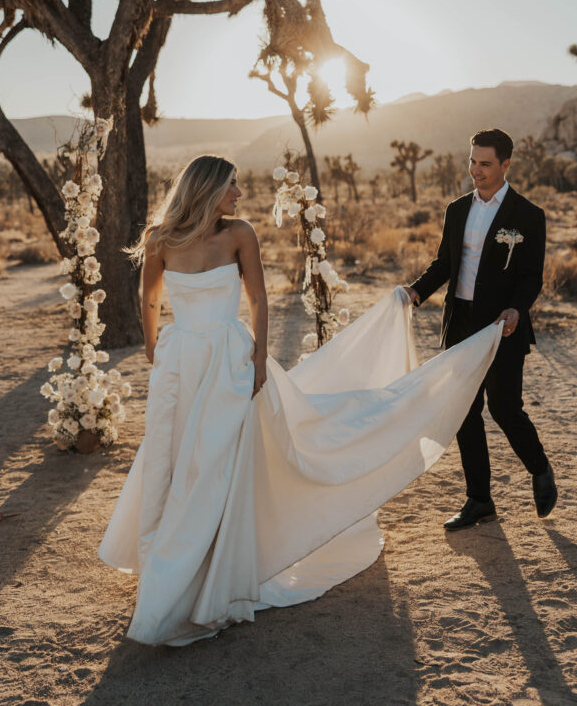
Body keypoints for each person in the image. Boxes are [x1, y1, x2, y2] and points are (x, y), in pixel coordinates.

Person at [98, 155, 504, 646]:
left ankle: (205, 573)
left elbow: (258, 299)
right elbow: (148, 296)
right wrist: (152, 346)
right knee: (172, 456)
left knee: (217, 463)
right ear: (206, 190)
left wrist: (258, 356)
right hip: (180, 364)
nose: (240, 195)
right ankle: (174, 564)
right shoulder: (159, 238)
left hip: (228, 360)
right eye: (232, 185)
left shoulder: (239, 233)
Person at [404, 128, 557, 531]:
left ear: (506, 165)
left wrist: (516, 310)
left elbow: (531, 278)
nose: (476, 171)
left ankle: (539, 468)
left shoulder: (528, 216)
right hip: (461, 323)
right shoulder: (457, 210)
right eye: (472, 162)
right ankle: (479, 500)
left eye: (485, 164)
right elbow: (444, 263)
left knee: (505, 408)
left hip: (501, 325)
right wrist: (416, 291)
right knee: (465, 412)